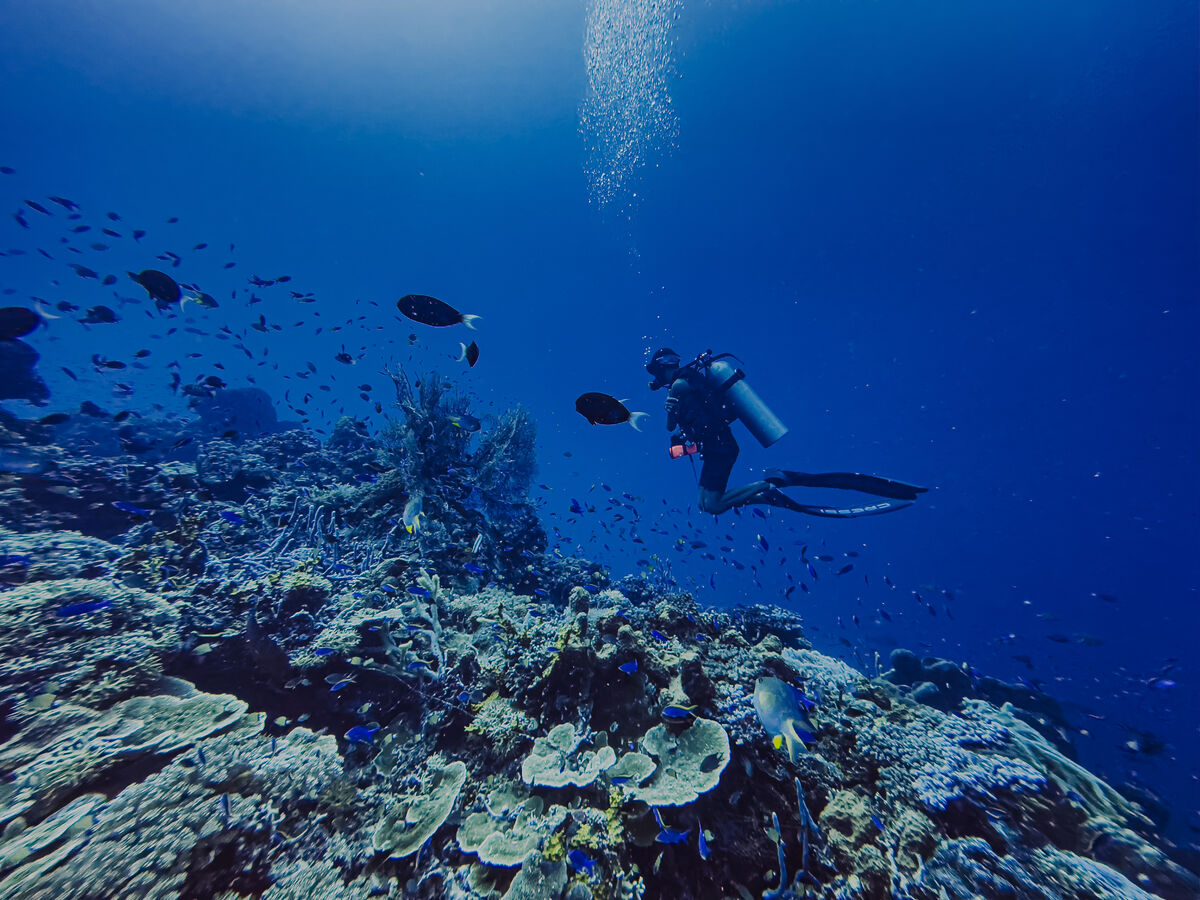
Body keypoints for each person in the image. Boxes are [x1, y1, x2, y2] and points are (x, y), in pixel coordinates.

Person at [645, 347, 927, 518]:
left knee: (714, 505)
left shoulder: (680, 386)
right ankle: (765, 493)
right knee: (704, 504)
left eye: (655, 373)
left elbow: (670, 425)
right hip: (717, 447)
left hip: (721, 448)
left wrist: (671, 409)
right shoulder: (691, 381)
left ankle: (771, 484)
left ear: (660, 369)